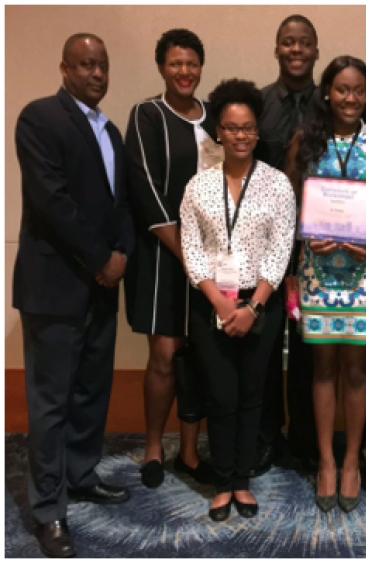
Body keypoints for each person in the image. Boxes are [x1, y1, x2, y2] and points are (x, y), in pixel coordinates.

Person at [13, 33, 134, 557]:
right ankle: (48, 510)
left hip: (103, 286)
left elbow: (122, 201)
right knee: (50, 403)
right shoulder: (39, 118)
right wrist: (100, 258)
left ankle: (82, 474)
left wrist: (123, 253)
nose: (96, 74)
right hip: (55, 286)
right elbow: (52, 201)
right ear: (64, 68)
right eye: (85, 65)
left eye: (102, 65)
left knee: (90, 392)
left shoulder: (112, 131)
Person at [286, 55, 366, 512]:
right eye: (341, 89)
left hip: (365, 273)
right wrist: (304, 235)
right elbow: (288, 201)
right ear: (327, 93)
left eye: (358, 90)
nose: (350, 98)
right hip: (316, 273)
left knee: (355, 371)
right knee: (322, 370)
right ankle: (327, 462)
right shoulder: (303, 140)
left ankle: (352, 461)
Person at [180, 79, 296, 521]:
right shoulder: (198, 186)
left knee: (252, 393)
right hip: (211, 303)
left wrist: (252, 307)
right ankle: (223, 480)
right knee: (220, 394)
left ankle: (243, 480)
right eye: (231, 128)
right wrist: (222, 305)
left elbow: (280, 249)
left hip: (258, 305)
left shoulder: (277, 184)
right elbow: (192, 250)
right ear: (220, 133)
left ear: (257, 130)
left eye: (248, 128)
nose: (241, 136)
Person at [124, 29, 219, 489]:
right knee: (164, 353)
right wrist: (188, 255)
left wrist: (213, 256)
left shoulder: (217, 117)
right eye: (176, 64)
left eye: (192, 63)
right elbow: (143, 186)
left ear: (201, 67)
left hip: (217, 256)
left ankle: (190, 451)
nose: (185, 72)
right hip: (165, 256)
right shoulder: (146, 114)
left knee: (201, 354)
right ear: (162, 67)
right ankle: (154, 448)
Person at [254, 14, 320, 476]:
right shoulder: (257, 105)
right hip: (261, 242)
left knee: (307, 344)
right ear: (277, 49)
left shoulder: (332, 102)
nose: (296, 50)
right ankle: (265, 435)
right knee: (263, 338)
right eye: (288, 42)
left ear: (316, 50)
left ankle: (305, 439)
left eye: (304, 43)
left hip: (317, 244)